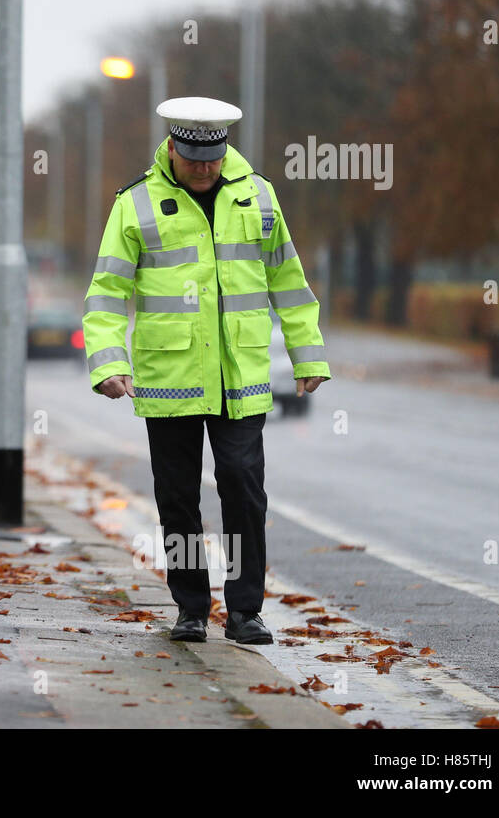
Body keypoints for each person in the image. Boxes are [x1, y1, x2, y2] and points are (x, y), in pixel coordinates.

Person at [82, 96, 330, 645]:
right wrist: (107, 362)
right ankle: (191, 606)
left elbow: (288, 279)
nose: (204, 168)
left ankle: (245, 611)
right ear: (172, 147)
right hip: (169, 376)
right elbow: (107, 292)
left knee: (243, 487)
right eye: (194, 158)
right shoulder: (137, 203)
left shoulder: (258, 196)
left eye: (213, 158)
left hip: (240, 376)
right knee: (177, 497)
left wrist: (307, 353)